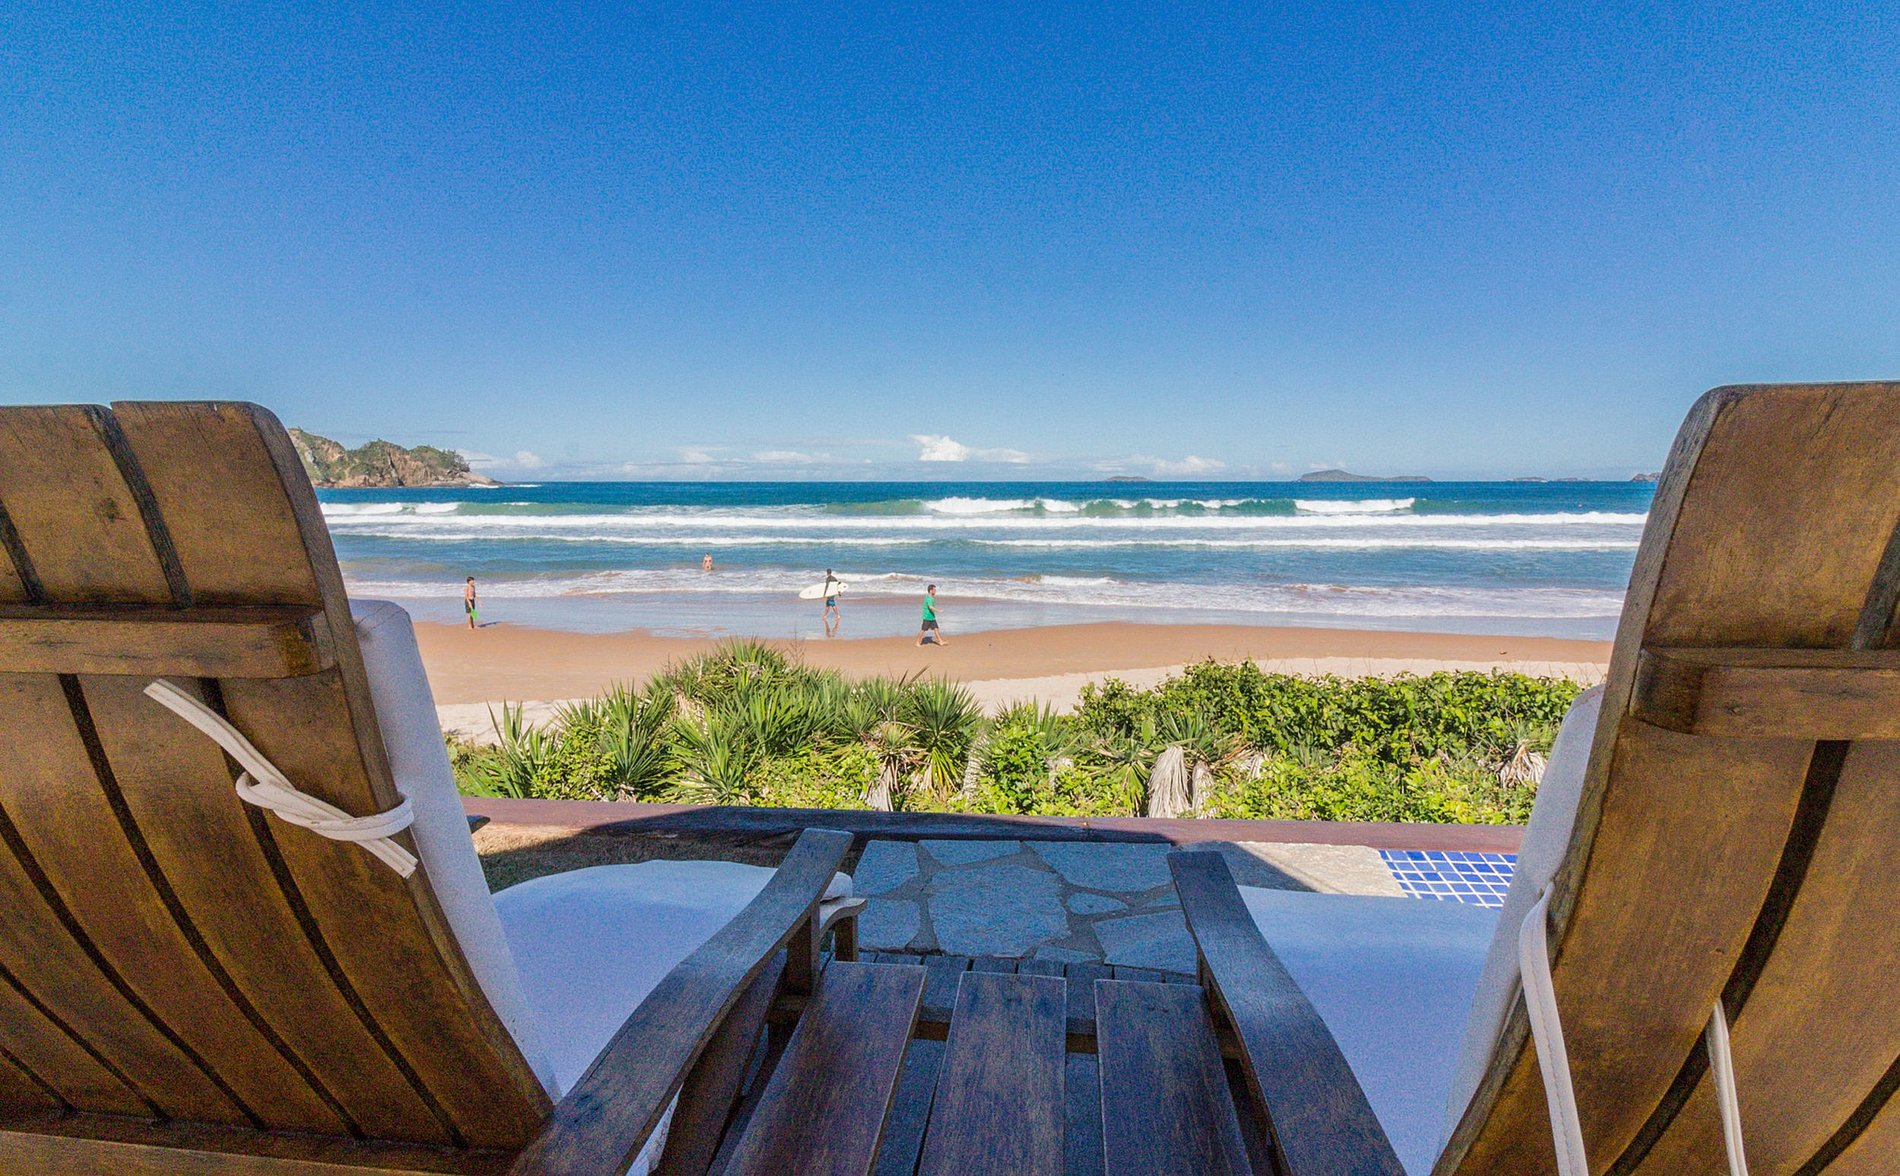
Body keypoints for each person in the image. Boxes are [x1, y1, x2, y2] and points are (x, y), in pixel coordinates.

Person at [821, 568, 842, 634]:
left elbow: (827, 586)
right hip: (832, 593)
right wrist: (838, 592)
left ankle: (837, 615)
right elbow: (837, 584)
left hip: (829, 594)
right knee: (827, 605)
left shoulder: (828, 578)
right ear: (831, 572)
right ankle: (825, 615)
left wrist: (824, 593)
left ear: (827, 572)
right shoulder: (834, 578)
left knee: (832, 605)